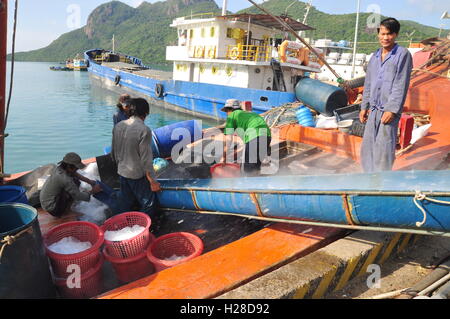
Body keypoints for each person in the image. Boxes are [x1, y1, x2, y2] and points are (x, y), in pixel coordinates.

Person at [359, 18, 413, 173]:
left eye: (389, 34)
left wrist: (392, 110)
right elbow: (369, 83)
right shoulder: (375, 56)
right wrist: (364, 107)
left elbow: (400, 84)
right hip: (373, 110)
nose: (385, 37)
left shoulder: (402, 54)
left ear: (395, 35)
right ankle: (368, 178)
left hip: (388, 110)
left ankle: (382, 181)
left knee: (384, 149)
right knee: (368, 148)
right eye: (382, 34)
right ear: (378, 34)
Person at [111, 98, 161, 215]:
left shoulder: (118, 126)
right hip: (136, 175)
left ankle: (123, 225)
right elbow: (146, 160)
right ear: (146, 113)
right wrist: (153, 182)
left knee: (126, 202)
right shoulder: (144, 130)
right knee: (149, 203)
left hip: (122, 171)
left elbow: (113, 152)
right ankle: (141, 227)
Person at [40, 152, 102, 217]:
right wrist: (93, 191)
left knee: (75, 181)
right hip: (52, 208)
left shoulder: (60, 168)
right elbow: (78, 196)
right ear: (69, 166)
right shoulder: (65, 179)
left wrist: (89, 181)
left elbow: (74, 174)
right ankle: (66, 213)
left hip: (46, 202)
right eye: (76, 168)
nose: (77, 170)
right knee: (73, 187)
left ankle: (66, 207)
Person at [220, 99, 271, 176]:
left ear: (229, 109)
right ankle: (257, 185)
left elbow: (228, 139)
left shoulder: (232, 116)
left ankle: (248, 185)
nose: (227, 114)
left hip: (254, 137)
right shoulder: (252, 114)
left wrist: (223, 157)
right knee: (256, 167)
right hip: (267, 136)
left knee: (248, 170)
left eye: (226, 112)